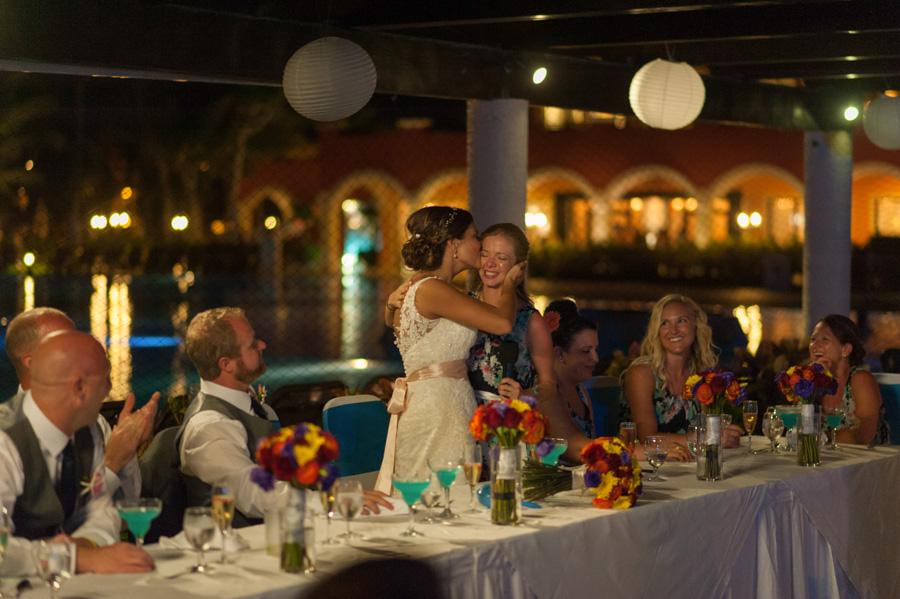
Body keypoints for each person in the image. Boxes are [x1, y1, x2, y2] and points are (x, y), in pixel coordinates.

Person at [177, 307, 393, 523]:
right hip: (236, 539)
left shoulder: (242, 402)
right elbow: (253, 493)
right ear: (226, 364)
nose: (262, 345)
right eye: (252, 345)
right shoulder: (209, 426)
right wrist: (330, 500)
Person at [375, 206, 523, 494]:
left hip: (445, 402)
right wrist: (509, 283)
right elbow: (502, 323)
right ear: (454, 244)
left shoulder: (427, 287)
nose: (479, 243)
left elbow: (396, 321)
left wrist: (388, 307)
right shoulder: (433, 289)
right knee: (444, 494)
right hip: (439, 409)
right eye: (474, 236)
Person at [0, 330, 155, 575]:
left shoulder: (87, 430)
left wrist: (86, 545)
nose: (109, 388)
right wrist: (76, 558)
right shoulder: (5, 441)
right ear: (79, 386)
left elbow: (102, 512)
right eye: (105, 378)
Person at [2, 307, 157, 501]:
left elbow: (128, 501)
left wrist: (127, 446)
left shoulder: (95, 423)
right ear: (32, 363)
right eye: (66, 345)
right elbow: (53, 514)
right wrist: (111, 464)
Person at [620, 294, 742, 459]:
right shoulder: (642, 373)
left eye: (682, 321)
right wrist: (709, 438)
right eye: (665, 323)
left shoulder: (701, 373)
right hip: (646, 467)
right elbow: (648, 439)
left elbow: (710, 428)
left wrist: (726, 435)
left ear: (696, 326)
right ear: (657, 330)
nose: (674, 330)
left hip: (688, 463)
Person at [466, 223, 556, 404]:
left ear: (519, 266)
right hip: (460, 411)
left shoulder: (530, 321)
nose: (490, 263)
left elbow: (549, 385)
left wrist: (525, 394)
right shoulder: (463, 303)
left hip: (504, 416)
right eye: (485, 254)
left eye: (501, 257)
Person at [809, 314, 890, 445]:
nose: (814, 345)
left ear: (845, 349)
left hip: (867, 457)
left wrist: (820, 439)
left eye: (825, 339)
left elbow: (863, 434)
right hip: (825, 456)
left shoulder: (860, 379)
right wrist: (807, 382)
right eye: (813, 339)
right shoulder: (812, 381)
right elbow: (797, 426)